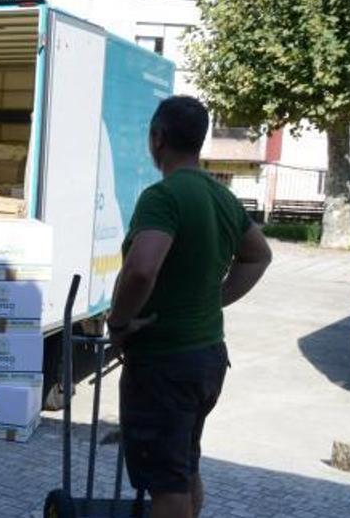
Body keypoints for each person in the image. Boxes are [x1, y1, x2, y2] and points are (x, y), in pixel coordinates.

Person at [107, 96, 272, 518]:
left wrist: (119, 321)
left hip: (165, 363)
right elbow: (258, 255)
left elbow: (142, 269)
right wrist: (211, 300)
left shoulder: (162, 197)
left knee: (166, 486)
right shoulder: (220, 196)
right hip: (207, 358)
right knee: (183, 468)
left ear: (157, 138)